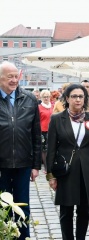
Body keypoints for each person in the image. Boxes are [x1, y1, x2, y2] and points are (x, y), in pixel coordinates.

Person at [46, 84, 89, 240]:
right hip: (66, 170)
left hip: (88, 170)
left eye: (81, 96)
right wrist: (50, 175)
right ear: (67, 98)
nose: (78, 99)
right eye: (74, 96)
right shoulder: (57, 119)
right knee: (66, 210)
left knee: (84, 210)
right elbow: (51, 148)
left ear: (85, 99)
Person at [0, 61, 41, 239]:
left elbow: (36, 135)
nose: (15, 80)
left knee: (23, 206)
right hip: (1, 164)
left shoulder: (29, 99)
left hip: (24, 164)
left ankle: (23, 237)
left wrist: (36, 165)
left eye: (16, 76)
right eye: (10, 77)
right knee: (3, 207)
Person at [38, 90, 54, 172]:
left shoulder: (52, 106)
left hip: (52, 130)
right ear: (41, 98)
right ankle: (46, 167)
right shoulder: (39, 107)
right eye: (44, 97)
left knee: (51, 148)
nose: (46, 98)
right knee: (44, 149)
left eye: (47, 96)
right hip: (42, 130)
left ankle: (51, 166)